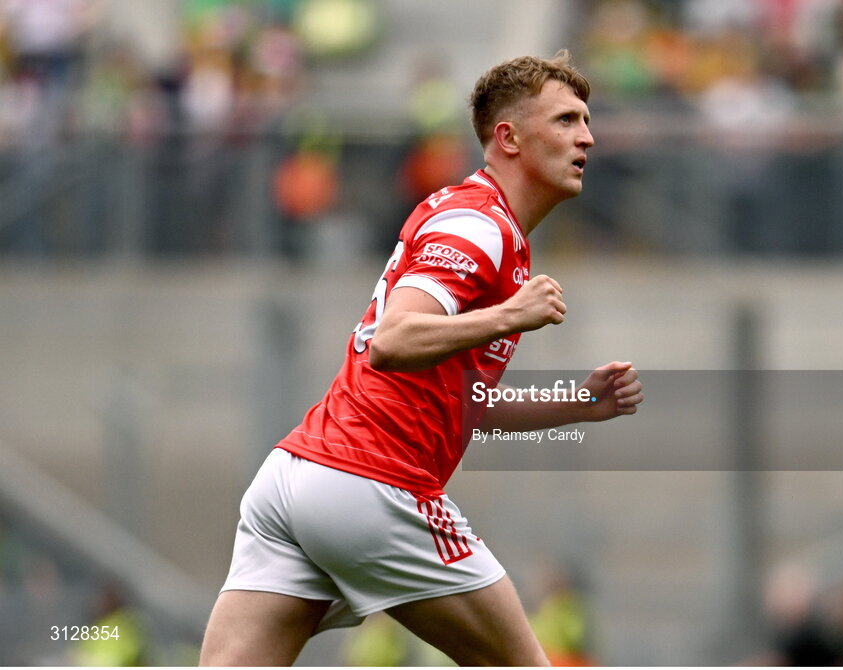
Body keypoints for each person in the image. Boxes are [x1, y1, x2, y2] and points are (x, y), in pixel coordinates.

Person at [199, 49, 643, 667]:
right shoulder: (478, 227)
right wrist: (511, 313)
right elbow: (393, 340)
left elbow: (461, 403)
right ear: (508, 138)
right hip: (372, 482)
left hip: (293, 481)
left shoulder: (481, 223)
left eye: (586, 121)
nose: (588, 138)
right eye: (567, 121)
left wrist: (577, 403)